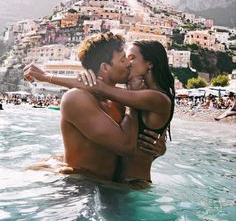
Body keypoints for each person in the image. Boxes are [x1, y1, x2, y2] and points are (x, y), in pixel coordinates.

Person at [24, 33, 172, 186]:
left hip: (110, 189)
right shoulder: (77, 98)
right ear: (105, 68)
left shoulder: (119, 102)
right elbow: (125, 147)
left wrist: (158, 150)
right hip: (79, 189)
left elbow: (132, 144)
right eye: (123, 59)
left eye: (131, 58)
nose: (128, 64)